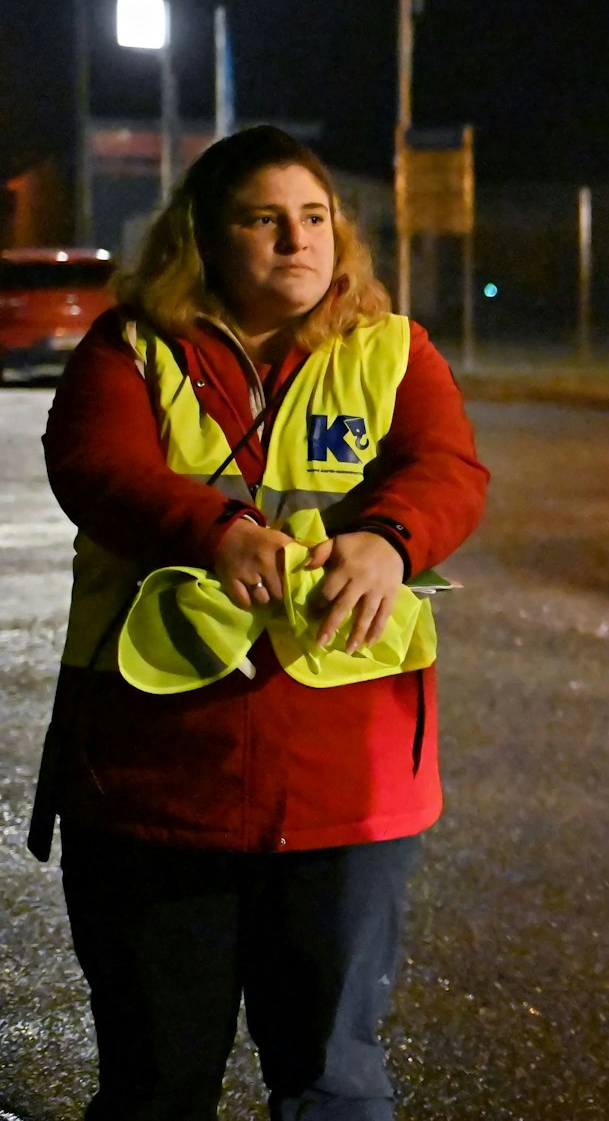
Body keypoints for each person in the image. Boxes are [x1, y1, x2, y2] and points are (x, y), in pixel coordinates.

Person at [31, 125, 487, 1119]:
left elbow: (448, 470)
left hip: (343, 788)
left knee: (333, 1086)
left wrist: (391, 542)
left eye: (314, 217)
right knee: (156, 1086)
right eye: (263, 220)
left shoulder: (392, 350)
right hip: (158, 785)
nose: (298, 241)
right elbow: (95, 467)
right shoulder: (133, 348)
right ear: (203, 236)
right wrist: (213, 530)